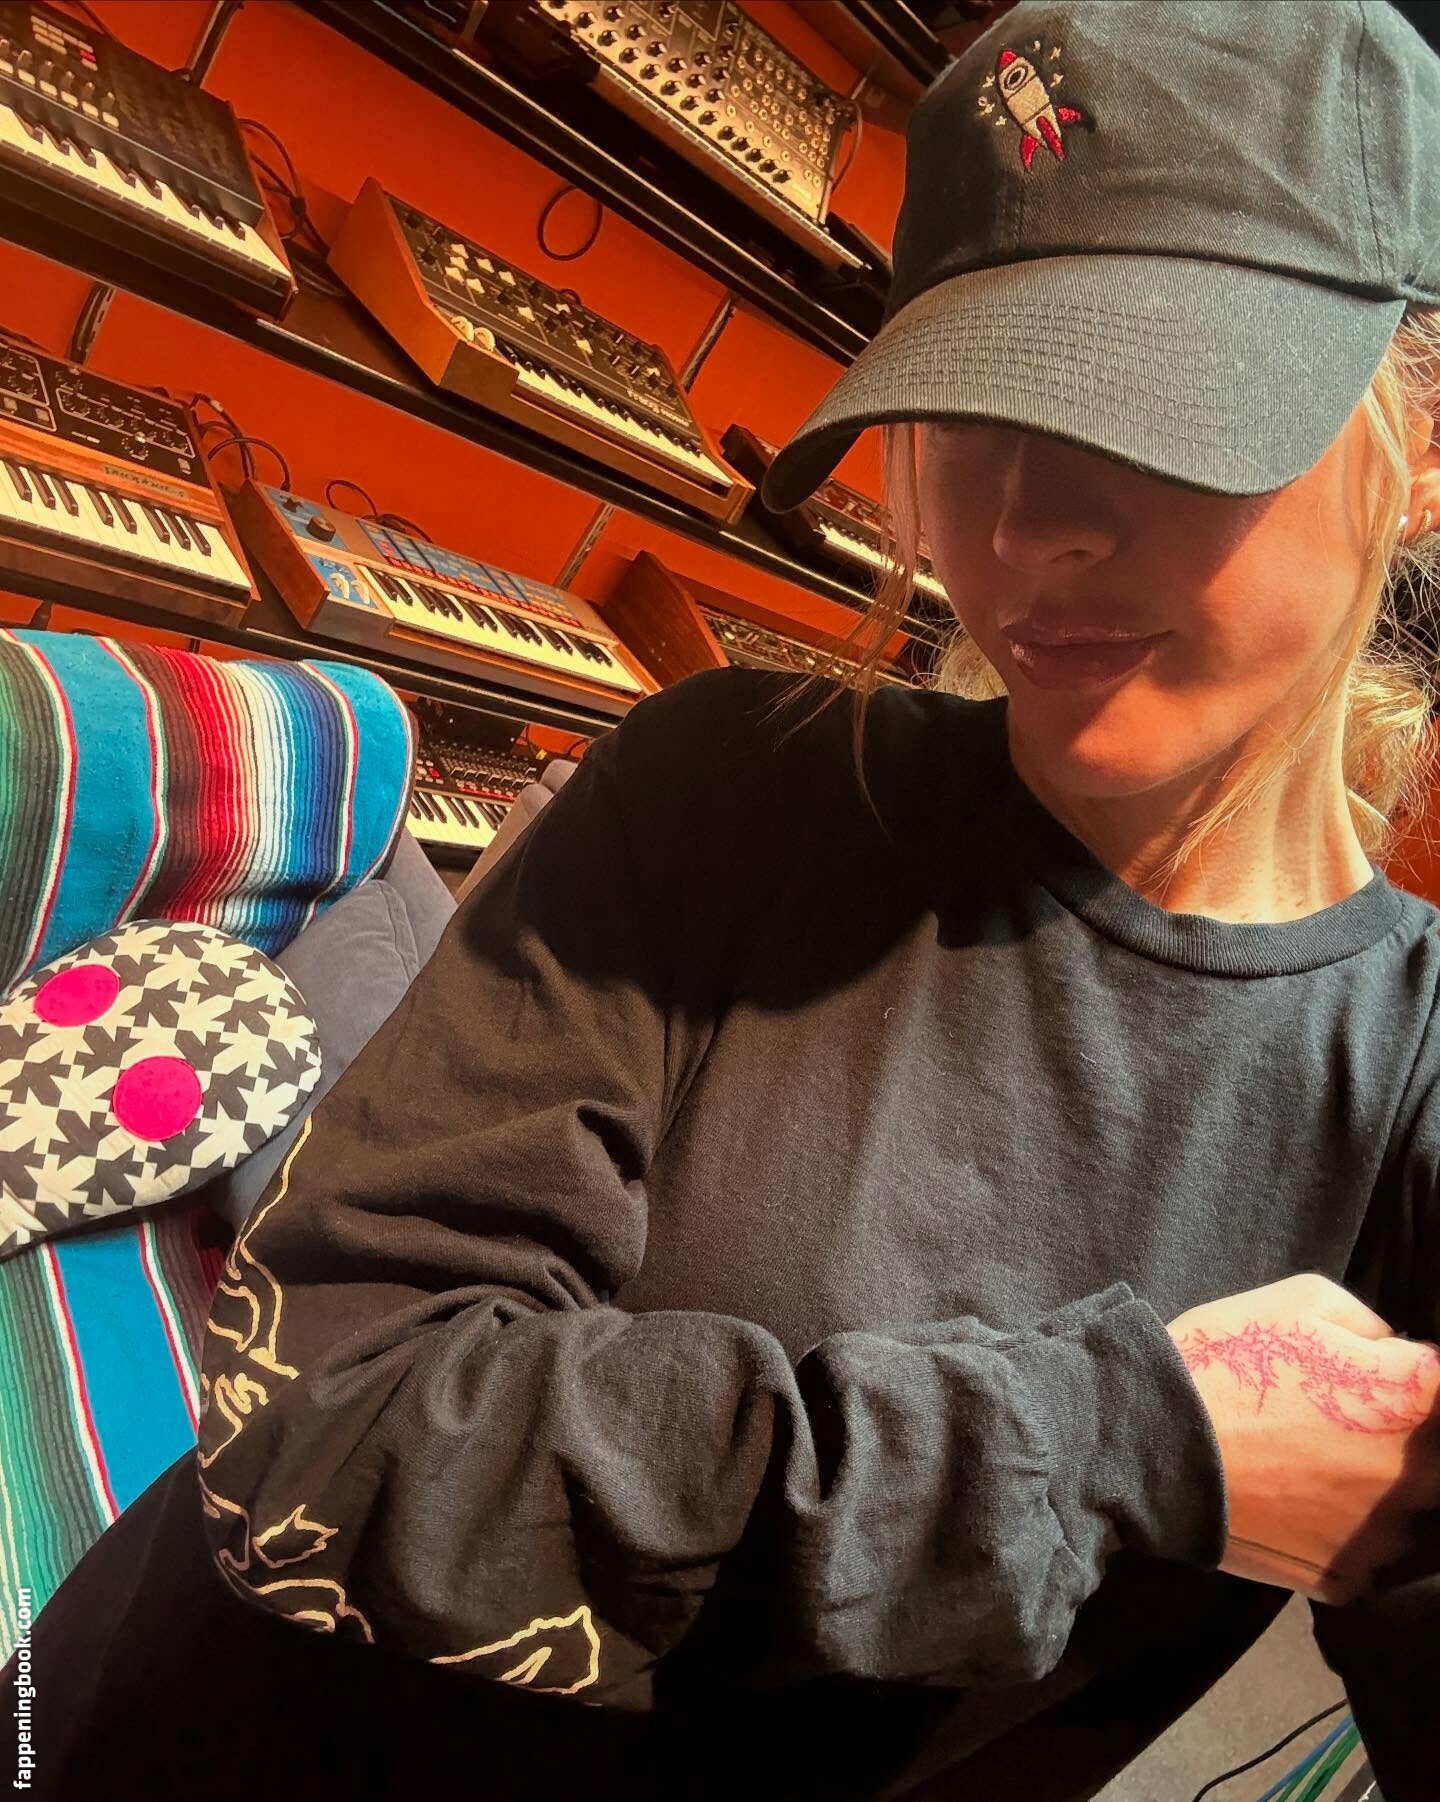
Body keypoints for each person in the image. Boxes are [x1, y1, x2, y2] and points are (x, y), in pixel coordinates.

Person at [10, 2, 1440, 1798]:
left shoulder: (1407, 1087)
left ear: (1420, 437)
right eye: (977, 403)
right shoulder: (731, 785)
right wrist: (1110, 1446)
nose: (1020, 526)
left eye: (1164, 404)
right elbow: (320, 1441)